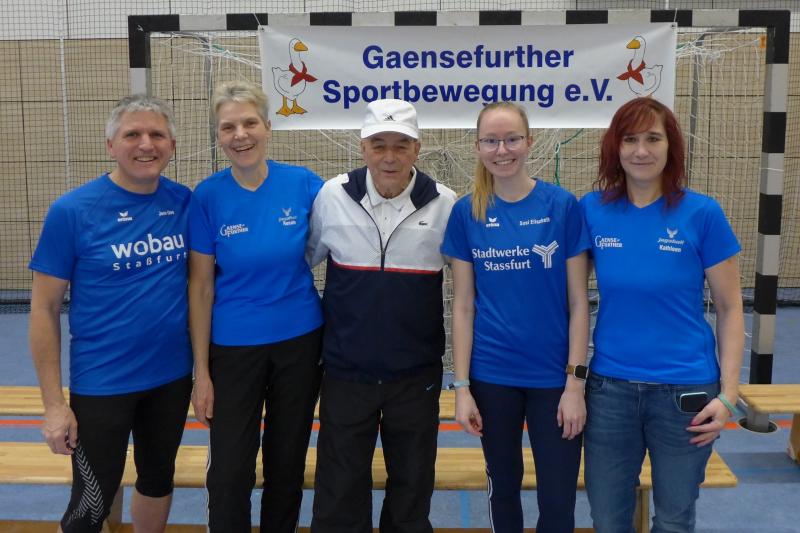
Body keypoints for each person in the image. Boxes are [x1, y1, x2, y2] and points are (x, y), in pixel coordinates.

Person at [28, 94, 192, 532]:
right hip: (102, 383)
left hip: (171, 379)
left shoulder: (184, 203)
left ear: (172, 145)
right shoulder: (72, 211)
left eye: (157, 134)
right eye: (132, 134)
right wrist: (53, 405)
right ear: (111, 145)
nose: (146, 144)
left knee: (158, 479)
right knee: (91, 501)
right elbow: (44, 309)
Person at [580, 97, 745, 533]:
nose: (641, 150)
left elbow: (730, 309)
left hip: (685, 392)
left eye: (653, 139)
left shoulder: (702, 214)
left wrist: (729, 395)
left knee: (674, 519)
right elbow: (570, 298)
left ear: (671, 146)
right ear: (615, 147)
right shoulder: (592, 210)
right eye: (630, 139)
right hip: (610, 392)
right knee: (607, 519)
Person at [307, 99, 456, 533]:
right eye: (378, 145)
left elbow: (469, 286)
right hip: (345, 374)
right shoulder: (333, 196)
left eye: (401, 145)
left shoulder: (444, 203)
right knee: (338, 494)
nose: (389, 156)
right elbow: (300, 263)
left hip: (416, 377)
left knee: (411, 492)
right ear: (363, 148)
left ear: (417, 149)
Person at [441, 101, 590, 532]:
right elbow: (463, 305)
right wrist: (462, 388)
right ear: (477, 146)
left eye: (511, 139)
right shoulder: (466, 212)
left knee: (558, 498)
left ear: (529, 142)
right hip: (493, 378)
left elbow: (579, 302)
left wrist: (575, 383)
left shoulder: (562, 206)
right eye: (491, 140)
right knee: (503, 487)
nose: (502, 150)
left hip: (554, 380)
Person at [188, 80, 323, 532]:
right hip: (233, 350)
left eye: (249, 123)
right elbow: (201, 288)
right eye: (228, 127)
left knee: (286, 463)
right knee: (230, 470)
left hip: (300, 343)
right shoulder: (207, 197)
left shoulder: (304, 184)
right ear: (218, 135)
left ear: (267, 126)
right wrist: (202, 372)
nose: (240, 135)